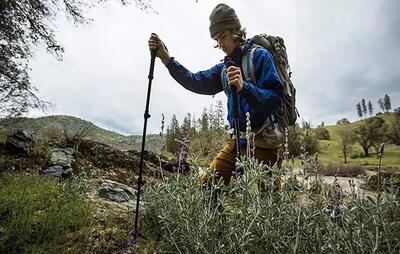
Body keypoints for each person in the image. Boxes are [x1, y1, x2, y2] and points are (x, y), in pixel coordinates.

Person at [148, 3, 283, 185]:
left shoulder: (260, 57)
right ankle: (219, 215)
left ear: (236, 32)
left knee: (269, 205)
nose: (220, 44)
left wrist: (245, 88)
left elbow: (275, 99)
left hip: (265, 143)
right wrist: (166, 59)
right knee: (207, 186)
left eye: (223, 36)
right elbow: (195, 81)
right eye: (216, 39)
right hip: (236, 142)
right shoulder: (223, 69)